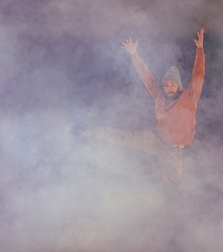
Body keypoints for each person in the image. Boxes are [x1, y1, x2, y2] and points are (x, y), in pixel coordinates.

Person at [82, 28, 205, 183]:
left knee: (173, 180)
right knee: (124, 137)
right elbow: (147, 78)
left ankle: (162, 191)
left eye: (172, 85)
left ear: (179, 86)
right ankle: (92, 132)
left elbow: (198, 76)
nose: (168, 88)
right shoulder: (159, 97)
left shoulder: (189, 97)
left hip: (175, 151)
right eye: (166, 85)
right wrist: (134, 54)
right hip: (155, 141)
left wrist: (200, 50)